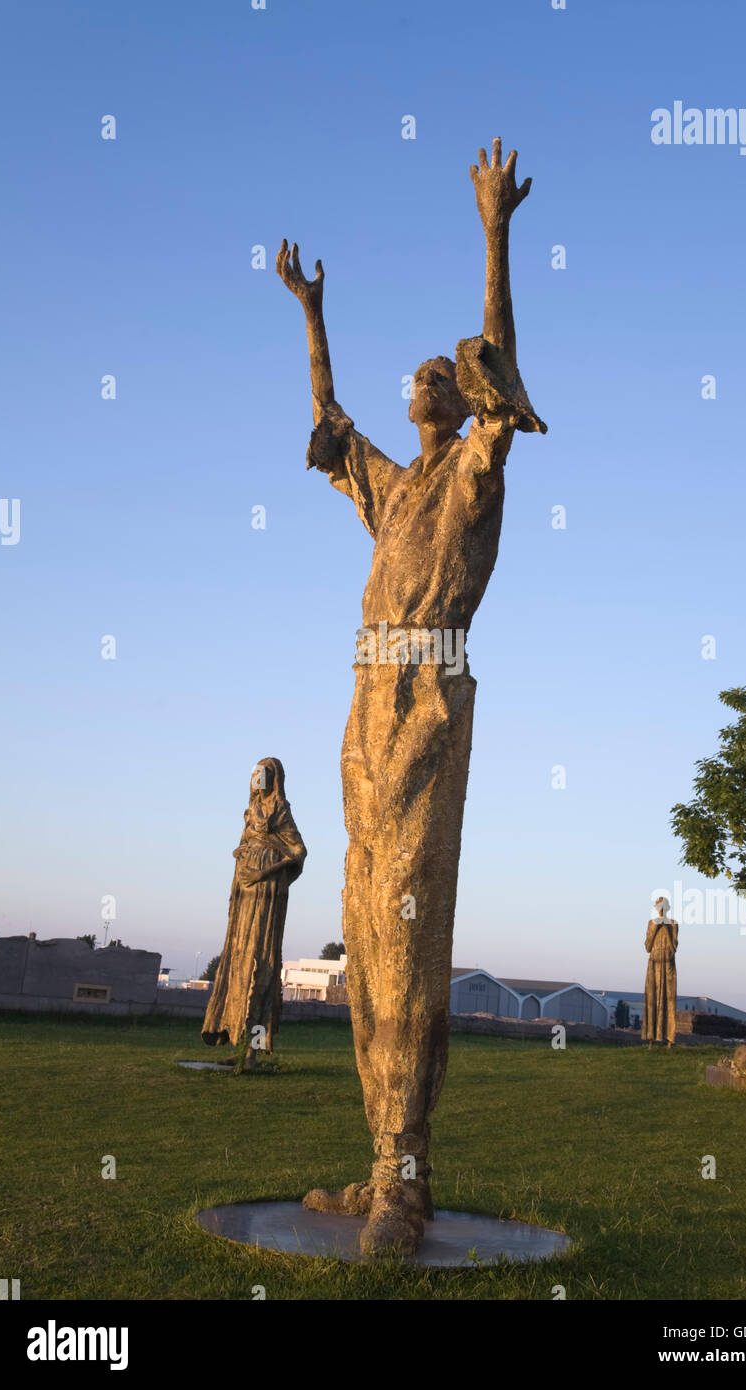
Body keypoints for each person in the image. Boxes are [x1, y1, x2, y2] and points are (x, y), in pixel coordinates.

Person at [276, 139, 546, 1255]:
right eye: (421, 373)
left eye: (438, 372)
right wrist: (311, 313)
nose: (423, 378)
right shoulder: (393, 490)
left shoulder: (477, 467)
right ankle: (379, 1161)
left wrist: (494, 233)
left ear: (462, 398)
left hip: (431, 689)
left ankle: (407, 1175)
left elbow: (500, 362)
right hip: (365, 695)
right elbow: (331, 418)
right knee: (360, 919)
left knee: (410, 914)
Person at [203, 758, 306, 1067]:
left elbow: (298, 851)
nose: (258, 779)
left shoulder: (280, 811)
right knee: (239, 956)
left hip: (266, 892)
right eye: (255, 774)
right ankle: (236, 1040)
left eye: (264, 774)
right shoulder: (251, 811)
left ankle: (253, 1051)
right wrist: (240, 853)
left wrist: (265, 871)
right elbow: (245, 841)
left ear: (273, 779)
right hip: (245, 892)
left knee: (260, 961)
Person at [642, 895, 678, 1048]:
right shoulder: (652, 923)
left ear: (667, 908)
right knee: (652, 998)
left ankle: (669, 1038)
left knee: (669, 999)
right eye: (659, 906)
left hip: (668, 964)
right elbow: (647, 947)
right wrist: (656, 927)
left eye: (663, 906)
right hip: (654, 963)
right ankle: (651, 1037)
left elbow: (674, 947)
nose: (661, 909)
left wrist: (667, 928)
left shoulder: (673, 924)